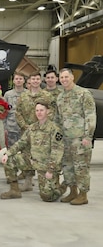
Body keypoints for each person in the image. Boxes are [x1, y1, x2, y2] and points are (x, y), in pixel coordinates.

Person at [0, 101, 65, 202]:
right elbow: (21, 143)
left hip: (46, 165)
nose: (39, 113)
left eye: (41, 110)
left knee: (47, 197)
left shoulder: (54, 129)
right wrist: (7, 154)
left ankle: (62, 187)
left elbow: (57, 152)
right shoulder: (32, 128)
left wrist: (51, 170)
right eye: (37, 110)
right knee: (10, 160)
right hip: (32, 161)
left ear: (47, 111)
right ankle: (14, 190)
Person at [57, 68, 96, 205]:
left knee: (81, 167)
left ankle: (83, 194)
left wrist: (88, 136)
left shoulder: (83, 94)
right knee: (68, 167)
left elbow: (90, 116)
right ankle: (73, 192)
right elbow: (58, 118)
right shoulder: (60, 97)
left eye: (66, 77)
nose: (64, 80)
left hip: (80, 139)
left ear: (72, 77)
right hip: (66, 140)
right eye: (62, 78)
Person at [15, 71, 55, 192]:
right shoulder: (23, 96)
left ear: (40, 81)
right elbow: (18, 112)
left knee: (43, 156)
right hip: (27, 132)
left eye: (38, 79)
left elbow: (52, 111)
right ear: (30, 81)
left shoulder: (47, 96)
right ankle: (28, 181)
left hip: (43, 133)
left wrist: (43, 125)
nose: (35, 81)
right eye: (33, 79)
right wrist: (24, 126)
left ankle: (45, 182)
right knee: (27, 156)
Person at [3, 72, 26, 147]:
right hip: (11, 128)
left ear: (24, 80)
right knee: (11, 152)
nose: (18, 80)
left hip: (24, 128)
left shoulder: (28, 94)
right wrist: (4, 127)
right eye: (16, 79)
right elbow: (3, 112)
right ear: (13, 81)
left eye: (20, 79)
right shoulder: (8, 94)